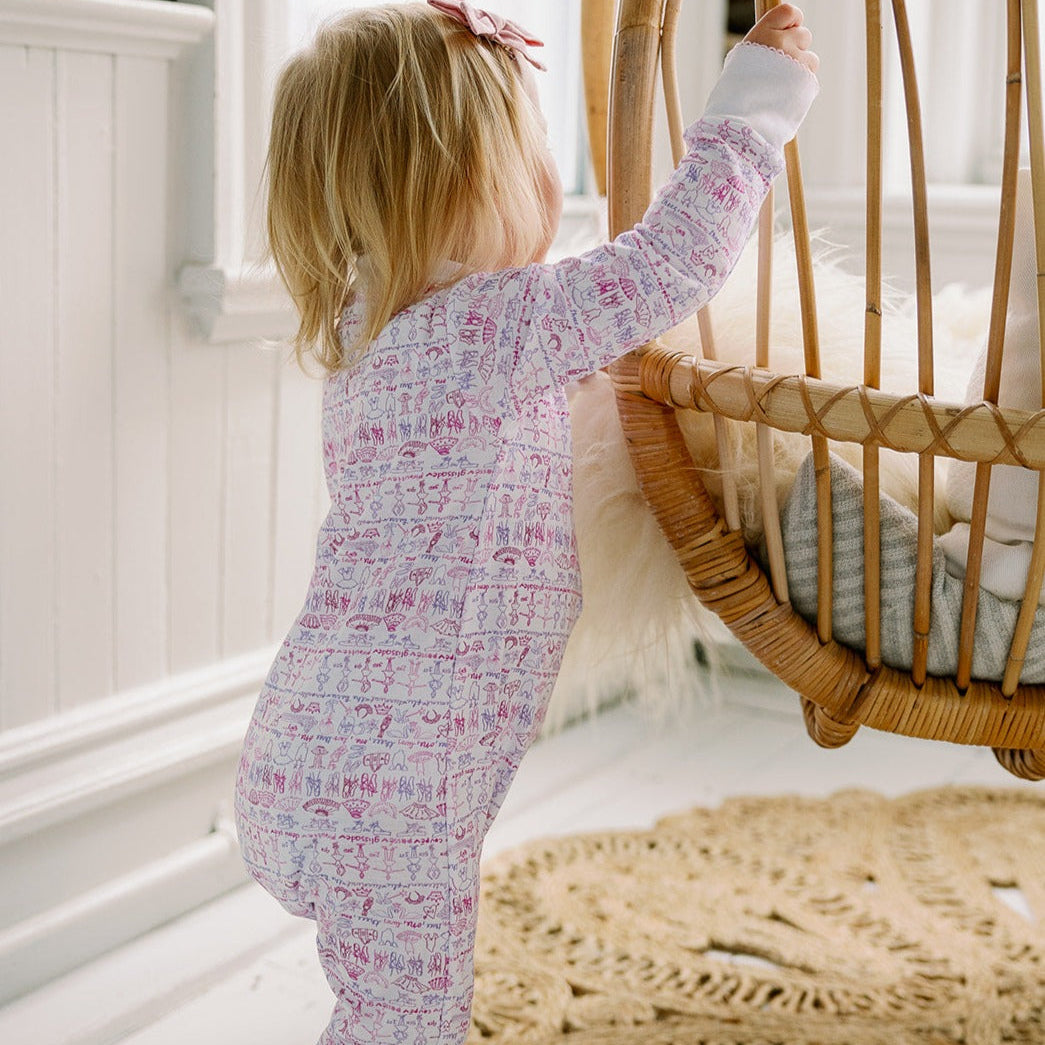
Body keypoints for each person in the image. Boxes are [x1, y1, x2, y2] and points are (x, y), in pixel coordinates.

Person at [232, 3, 819, 1042]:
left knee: (379, 1008)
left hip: (306, 749)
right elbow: (671, 262)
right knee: (408, 1021)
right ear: (459, 185)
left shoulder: (369, 335)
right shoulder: (497, 329)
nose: (551, 177)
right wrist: (754, 108)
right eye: (533, 150)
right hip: (397, 787)